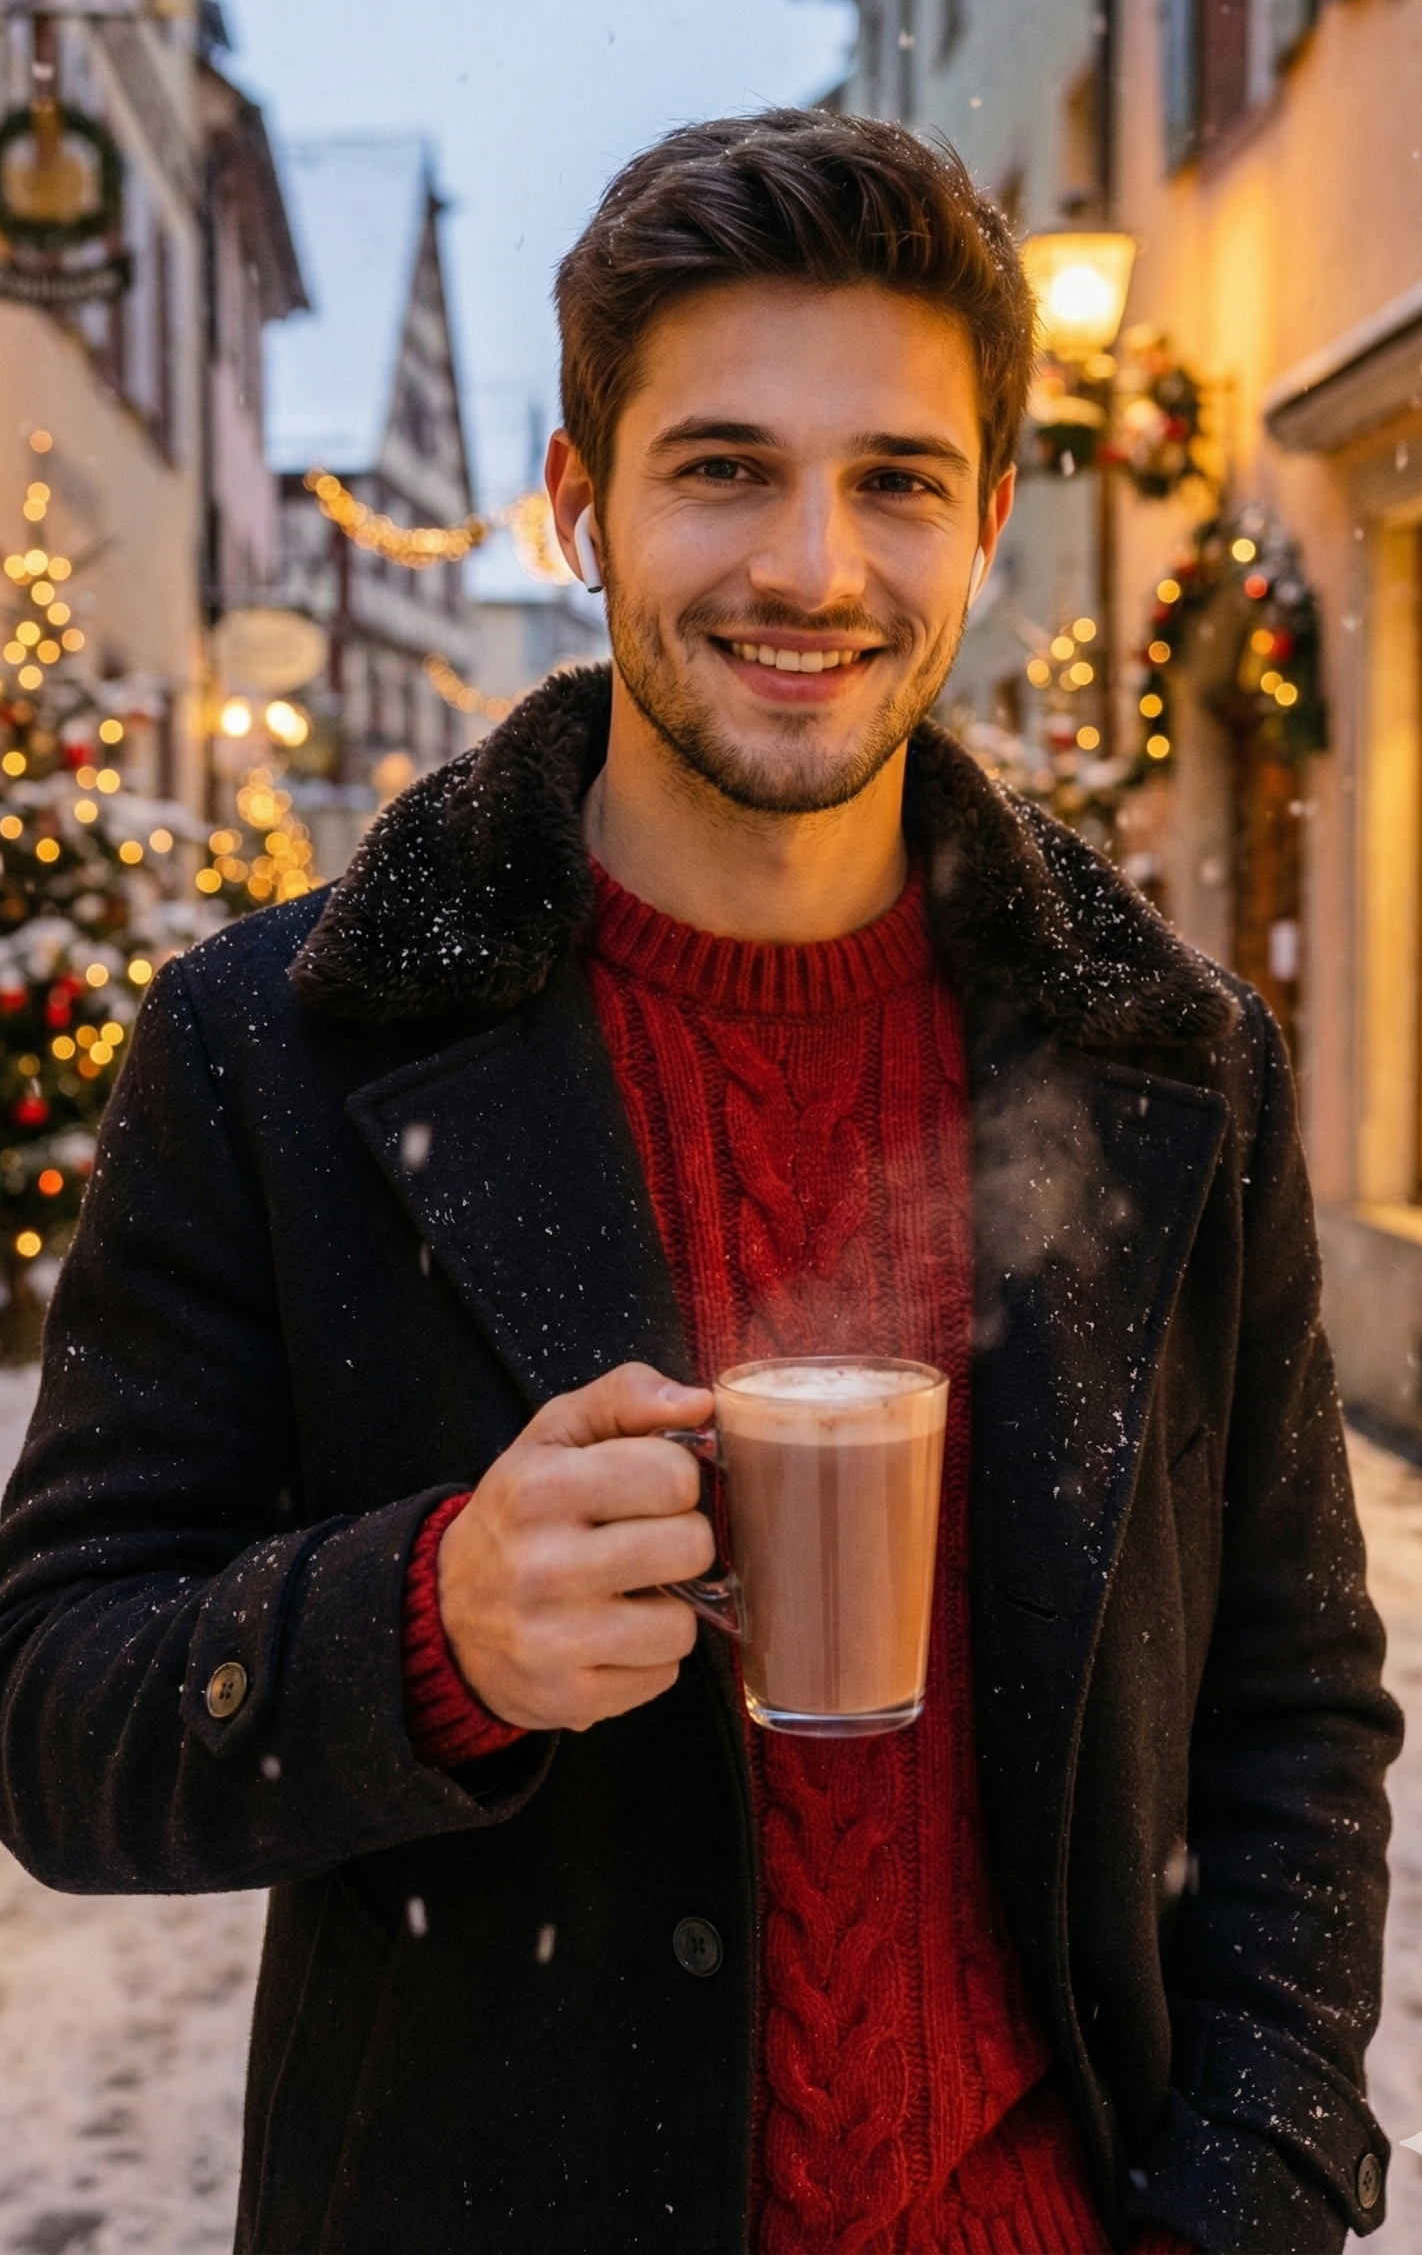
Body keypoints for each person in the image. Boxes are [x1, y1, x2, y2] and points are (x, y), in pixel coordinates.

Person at [0, 110, 1399, 2255]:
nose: (814, 568)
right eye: (725, 465)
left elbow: (1294, 1716)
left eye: (897, 481)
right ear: (581, 499)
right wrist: (424, 1624)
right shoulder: (278, 1046)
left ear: (991, 521)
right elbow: (55, 1710)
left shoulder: (1167, 1067)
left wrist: (1260, 2195)